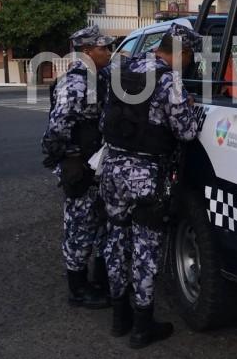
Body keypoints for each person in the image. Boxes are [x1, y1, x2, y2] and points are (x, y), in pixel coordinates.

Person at [100, 23, 201, 349]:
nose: (189, 63)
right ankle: (142, 328)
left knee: (117, 238)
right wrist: (192, 109)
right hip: (144, 174)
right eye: (189, 57)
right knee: (145, 248)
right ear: (182, 53)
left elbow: (105, 117)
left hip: (112, 169)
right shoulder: (168, 80)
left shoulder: (123, 67)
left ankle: (119, 319)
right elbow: (185, 132)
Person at [41, 24, 114, 309]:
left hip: (99, 165)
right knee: (79, 226)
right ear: (86, 51)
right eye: (103, 47)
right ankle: (78, 289)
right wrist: (61, 158)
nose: (108, 51)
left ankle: (98, 281)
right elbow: (57, 128)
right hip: (80, 167)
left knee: (101, 225)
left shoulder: (102, 77)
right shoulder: (75, 83)